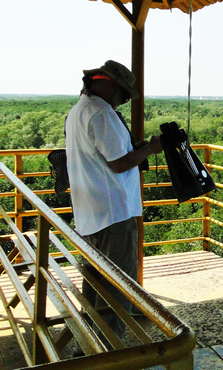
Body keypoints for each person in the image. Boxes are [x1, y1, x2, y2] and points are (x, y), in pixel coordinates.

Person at [65, 59, 163, 347]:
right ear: (108, 84)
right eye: (121, 95)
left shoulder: (78, 111)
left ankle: (91, 351)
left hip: (91, 214)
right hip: (113, 215)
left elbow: (108, 156)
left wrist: (140, 149)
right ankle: (111, 357)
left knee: (96, 289)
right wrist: (154, 149)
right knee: (117, 292)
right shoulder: (101, 113)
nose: (121, 102)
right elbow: (120, 163)